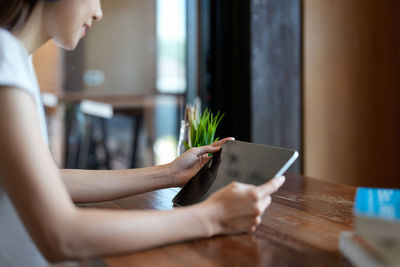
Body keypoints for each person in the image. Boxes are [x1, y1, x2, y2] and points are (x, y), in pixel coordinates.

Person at [0, 0, 286, 264]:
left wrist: (170, 173)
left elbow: (49, 180)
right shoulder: (5, 60)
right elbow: (60, 235)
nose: (98, 12)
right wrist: (214, 216)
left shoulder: (15, 57)